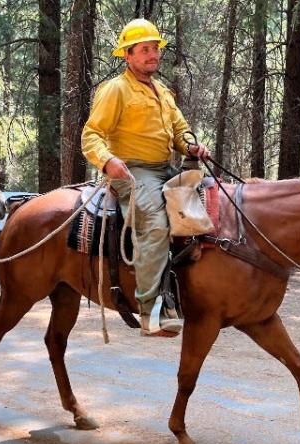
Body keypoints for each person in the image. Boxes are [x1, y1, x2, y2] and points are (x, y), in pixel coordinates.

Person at [81, 18, 211, 338]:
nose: (152, 54)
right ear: (128, 55)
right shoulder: (115, 89)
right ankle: (149, 311)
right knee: (155, 223)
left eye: (155, 49)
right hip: (132, 170)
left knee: (210, 207)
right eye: (144, 50)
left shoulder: (164, 92)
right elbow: (91, 135)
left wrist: (191, 144)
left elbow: (180, 130)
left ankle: (190, 293)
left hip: (165, 168)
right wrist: (108, 160)